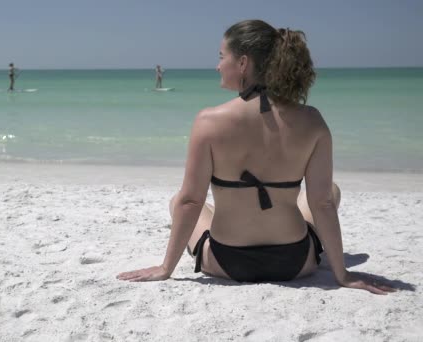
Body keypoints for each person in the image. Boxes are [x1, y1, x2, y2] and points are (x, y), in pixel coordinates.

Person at [117, 20, 395, 295]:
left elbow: (191, 202)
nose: (217, 66)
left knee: (179, 200)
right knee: (330, 191)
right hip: (295, 262)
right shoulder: (312, 120)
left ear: (243, 63)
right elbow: (321, 203)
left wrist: (166, 268)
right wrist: (342, 274)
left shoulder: (209, 121)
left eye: (221, 57)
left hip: (227, 262)